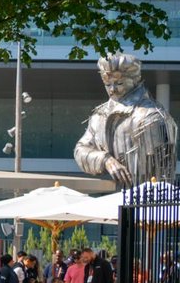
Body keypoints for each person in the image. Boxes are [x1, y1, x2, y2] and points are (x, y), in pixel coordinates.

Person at [75, 53, 177, 188]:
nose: (112, 89)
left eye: (119, 83)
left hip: (140, 201)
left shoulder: (151, 116)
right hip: (108, 197)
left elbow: (161, 171)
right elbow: (81, 149)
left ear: (135, 80)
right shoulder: (99, 115)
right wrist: (104, 160)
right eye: (107, 84)